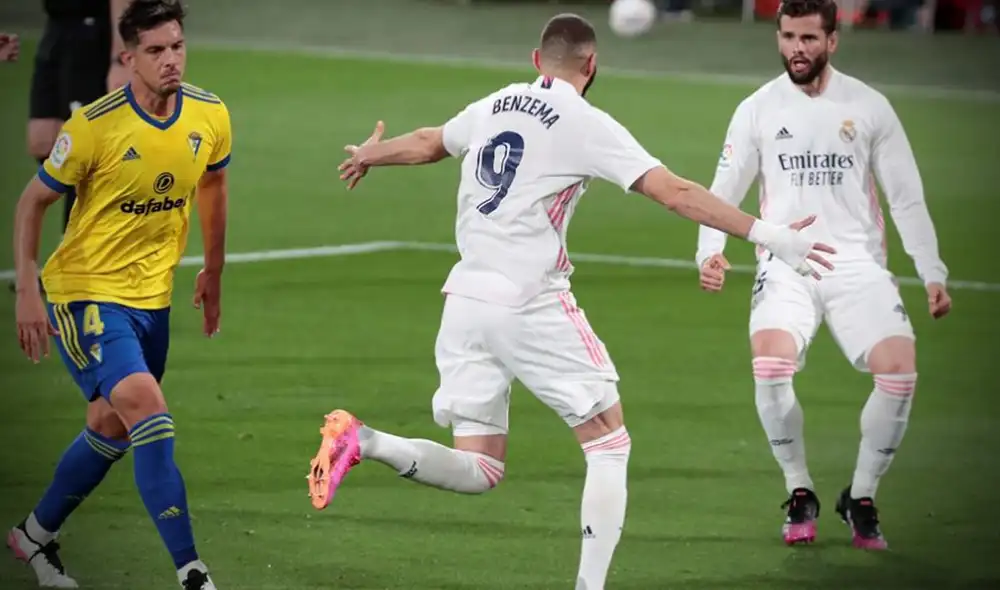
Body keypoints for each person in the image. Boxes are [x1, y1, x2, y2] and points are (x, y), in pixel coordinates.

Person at [311, 13, 833, 589]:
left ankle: (364, 440)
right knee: (610, 442)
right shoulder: (584, 121)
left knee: (481, 468)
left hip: (463, 299)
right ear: (591, 66)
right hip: (527, 301)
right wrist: (771, 235)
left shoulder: (496, 103)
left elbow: (432, 141)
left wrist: (369, 154)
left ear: (537, 61)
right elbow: (674, 191)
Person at [694, 0, 950, 552]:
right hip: (786, 262)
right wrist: (709, 251)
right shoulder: (758, 108)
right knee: (770, 361)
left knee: (900, 374)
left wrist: (931, 270)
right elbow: (723, 190)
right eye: (788, 37)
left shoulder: (870, 107)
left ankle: (860, 496)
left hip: (858, 265)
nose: (796, 49)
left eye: (809, 39)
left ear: (833, 41)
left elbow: (905, 198)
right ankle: (799, 488)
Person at [8, 1, 230, 588]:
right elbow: (32, 202)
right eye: (156, 51)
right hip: (84, 294)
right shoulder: (94, 127)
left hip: (152, 299)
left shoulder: (210, 115)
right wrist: (27, 288)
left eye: (177, 46)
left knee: (110, 427)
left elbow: (214, 182)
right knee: (149, 414)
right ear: (128, 57)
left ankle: (32, 537)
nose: (171, 60)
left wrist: (213, 271)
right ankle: (192, 572)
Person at [28, 1, 132, 234]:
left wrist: (120, 57)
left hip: (95, 35)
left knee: (82, 150)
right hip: (59, 28)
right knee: (43, 142)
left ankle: (81, 253)